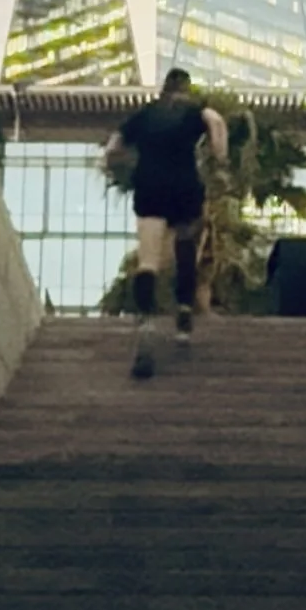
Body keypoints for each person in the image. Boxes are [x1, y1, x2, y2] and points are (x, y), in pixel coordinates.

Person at [107, 69, 228, 379]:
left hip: (149, 187)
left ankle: (147, 320)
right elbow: (215, 121)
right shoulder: (194, 111)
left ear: (163, 89)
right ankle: (184, 310)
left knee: (148, 260)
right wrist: (218, 152)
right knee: (186, 245)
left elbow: (113, 147)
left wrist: (119, 165)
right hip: (185, 187)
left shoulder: (145, 115)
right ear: (185, 88)